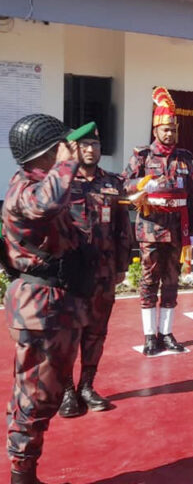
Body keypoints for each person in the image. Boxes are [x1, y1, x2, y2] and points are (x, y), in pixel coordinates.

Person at [2, 114, 90, 484]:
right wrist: (67, 162)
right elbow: (47, 204)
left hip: (56, 304)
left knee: (45, 395)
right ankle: (22, 476)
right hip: (40, 306)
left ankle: (26, 471)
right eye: (61, 146)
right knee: (34, 397)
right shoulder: (26, 190)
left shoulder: (42, 182)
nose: (68, 151)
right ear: (47, 152)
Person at [60, 122, 131, 418]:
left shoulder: (113, 183)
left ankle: (86, 386)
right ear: (75, 148)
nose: (91, 150)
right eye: (85, 145)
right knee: (68, 334)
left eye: (96, 145)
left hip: (103, 272)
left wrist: (122, 265)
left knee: (96, 333)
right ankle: (66, 392)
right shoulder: (62, 183)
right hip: (72, 275)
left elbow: (122, 228)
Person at [122, 87, 193, 356]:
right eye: (165, 129)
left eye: (173, 129)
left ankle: (166, 333)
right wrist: (144, 183)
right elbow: (125, 184)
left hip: (177, 230)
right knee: (148, 281)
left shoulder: (184, 159)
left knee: (171, 282)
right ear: (155, 130)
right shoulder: (142, 157)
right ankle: (148, 336)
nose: (170, 134)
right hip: (151, 229)